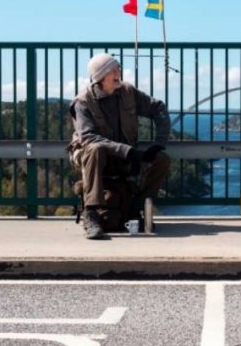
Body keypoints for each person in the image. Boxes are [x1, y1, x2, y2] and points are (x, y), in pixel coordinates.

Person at [68, 53, 170, 240]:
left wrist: (159, 143)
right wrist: (127, 151)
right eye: (113, 70)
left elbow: (158, 108)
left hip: (124, 156)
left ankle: (135, 208)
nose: (119, 73)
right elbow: (88, 137)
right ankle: (91, 213)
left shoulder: (128, 92)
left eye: (118, 69)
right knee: (95, 149)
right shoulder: (82, 102)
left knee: (161, 159)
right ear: (100, 76)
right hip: (92, 156)